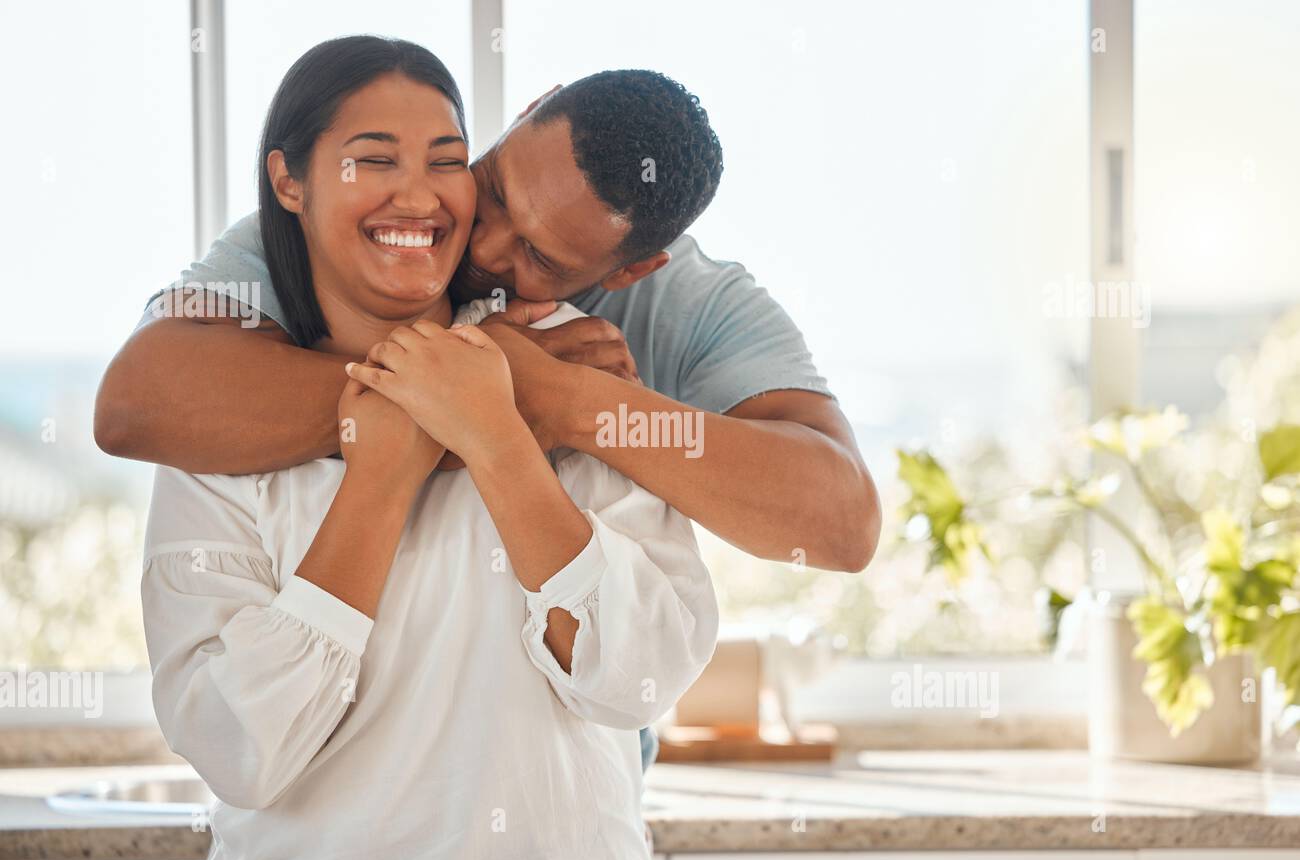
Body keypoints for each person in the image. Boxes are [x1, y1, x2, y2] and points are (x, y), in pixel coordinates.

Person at [96, 52, 882, 775]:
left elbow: (840, 522)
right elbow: (137, 399)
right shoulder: (365, 229)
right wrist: (472, 386)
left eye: (540, 259)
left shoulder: (689, 303)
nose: (484, 243)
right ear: (523, 114)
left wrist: (565, 400)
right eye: (497, 187)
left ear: (633, 269)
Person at [141, 35, 716, 860]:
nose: (419, 198)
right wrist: (379, 478)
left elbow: (641, 678)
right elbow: (235, 749)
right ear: (289, 181)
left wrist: (498, 439)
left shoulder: (573, 367)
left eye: (445, 160)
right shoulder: (223, 411)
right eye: (374, 160)